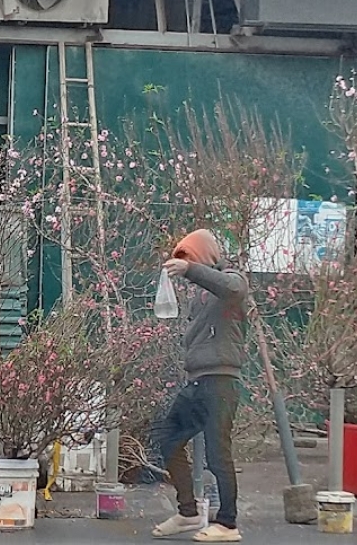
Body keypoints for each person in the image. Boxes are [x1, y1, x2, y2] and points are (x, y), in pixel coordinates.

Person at [150, 229, 248, 543]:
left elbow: (231, 288)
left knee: (218, 453)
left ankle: (228, 523)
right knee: (166, 436)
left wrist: (191, 269)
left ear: (204, 258)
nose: (185, 267)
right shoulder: (200, 297)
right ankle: (188, 512)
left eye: (190, 259)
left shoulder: (233, 281)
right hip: (197, 381)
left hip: (221, 382)